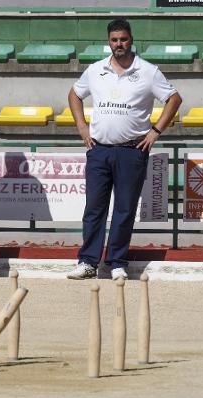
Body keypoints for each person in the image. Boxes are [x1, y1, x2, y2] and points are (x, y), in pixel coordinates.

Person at [66, 19, 182, 280]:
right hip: (99, 149)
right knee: (94, 208)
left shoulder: (148, 71)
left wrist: (155, 131)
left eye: (124, 39)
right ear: (109, 42)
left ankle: (117, 262)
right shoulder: (96, 70)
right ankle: (88, 262)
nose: (119, 44)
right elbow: (74, 94)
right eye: (114, 40)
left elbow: (174, 99)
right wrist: (82, 127)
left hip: (132, 151)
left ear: (131, 40)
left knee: (124, 209)